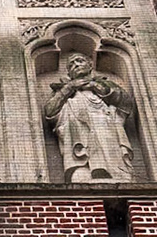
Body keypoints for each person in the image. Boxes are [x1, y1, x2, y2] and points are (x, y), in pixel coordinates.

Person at [44, 51, 135, 182]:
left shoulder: (104, 84)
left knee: (107, 142)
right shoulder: (64, 91)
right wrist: (69, 88)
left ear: (90, 65)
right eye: (71, 65)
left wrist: (95, 86)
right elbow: (50, 111)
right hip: (77, 130)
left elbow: (125, 103)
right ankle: (83, 172)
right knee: (81, 174)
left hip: (104, 125)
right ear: (69, 73)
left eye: (79, 61)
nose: (76, 65)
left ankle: (116, 173)